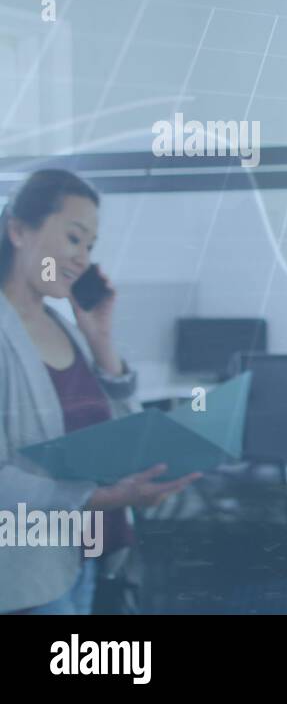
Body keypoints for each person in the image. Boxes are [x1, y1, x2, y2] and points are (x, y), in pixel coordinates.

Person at [0, 169, 199, 614]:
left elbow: (123, 437)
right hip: (23, 577)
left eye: (90, 246)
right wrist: (102, 498)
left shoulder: (66, 330)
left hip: (83, 556)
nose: (82, 259)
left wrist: (101, 342)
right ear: (17, 230)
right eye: (73, 238)